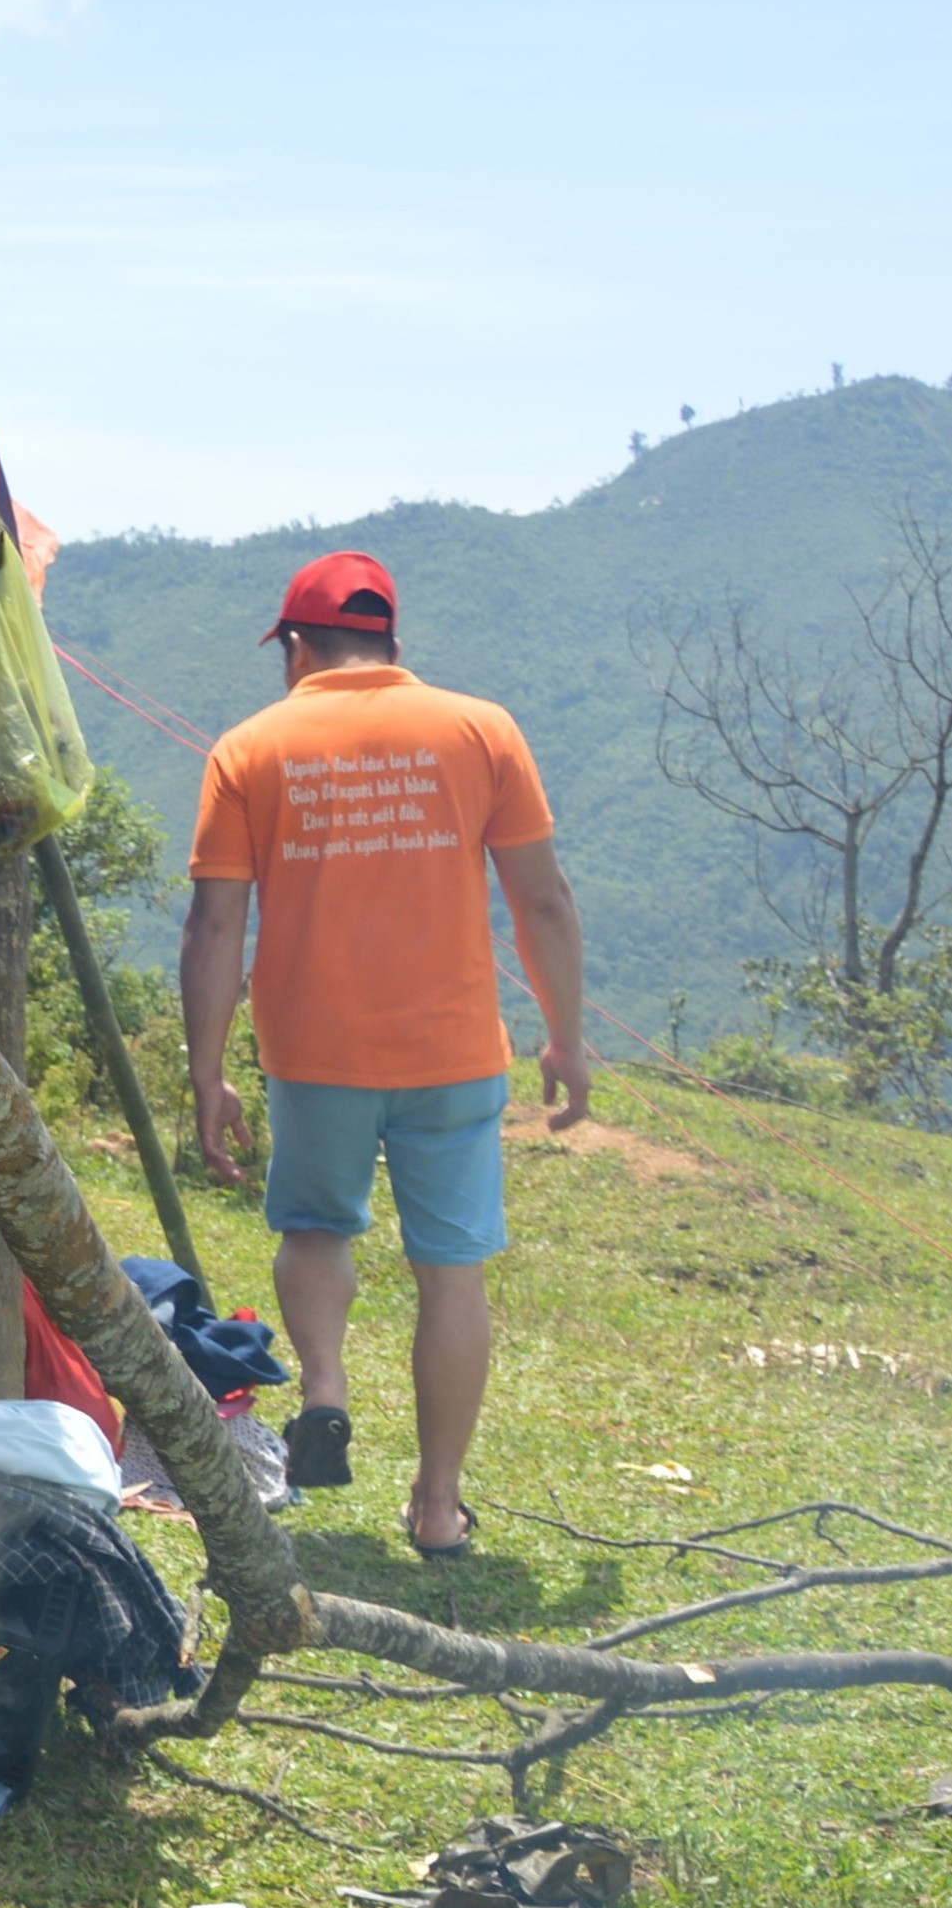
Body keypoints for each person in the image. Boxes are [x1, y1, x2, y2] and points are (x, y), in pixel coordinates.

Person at [180, 549, 591, 1558]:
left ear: (293, 647)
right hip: (452, 1051)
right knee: (450, 1270)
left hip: (311, 1051)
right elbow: (540, 899)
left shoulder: (248, 747)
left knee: (315, 1227)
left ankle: (322, 1387)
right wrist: (565, 1036)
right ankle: (438, 1504)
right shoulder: (478, 729)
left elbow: (211, 925)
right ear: (390, 642)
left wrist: (206, 1071)